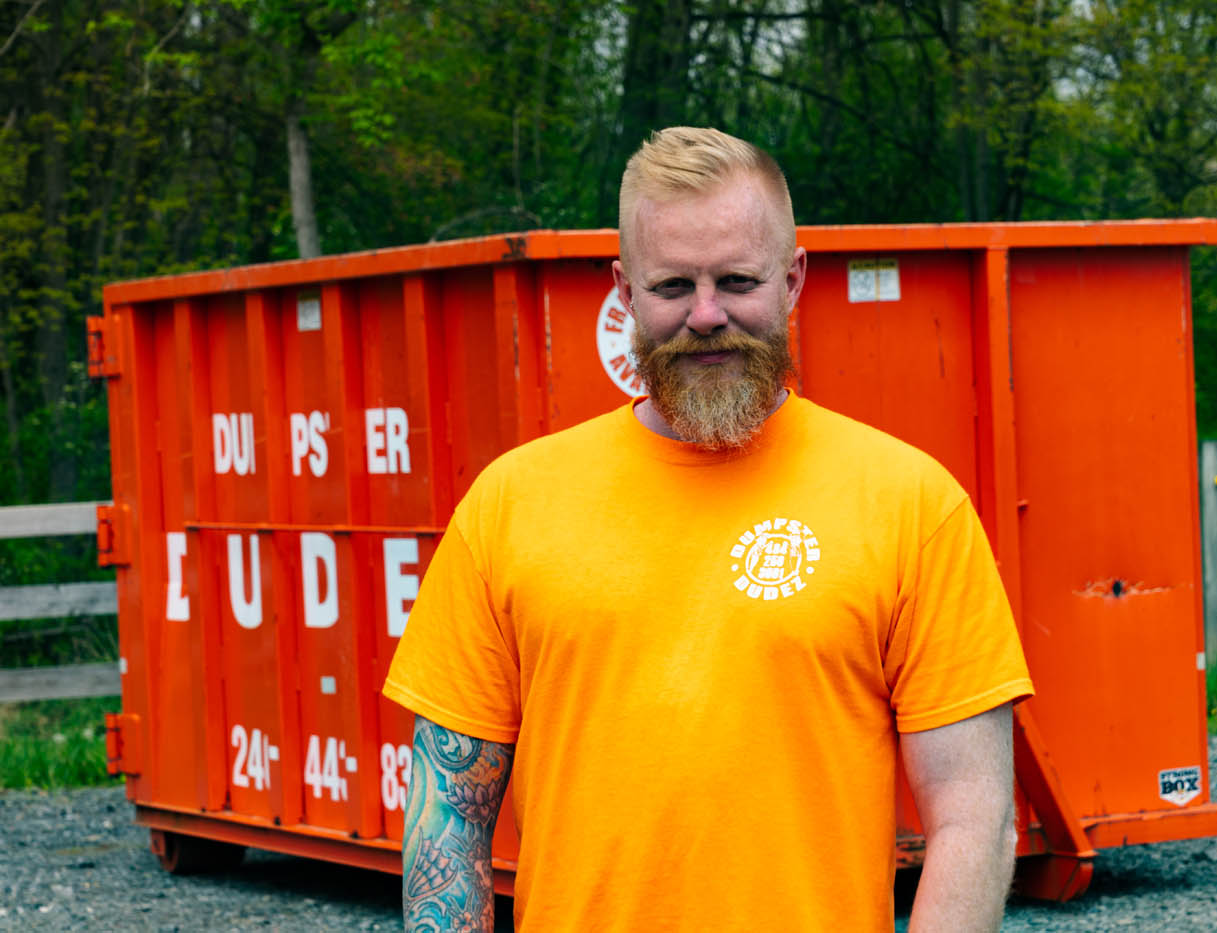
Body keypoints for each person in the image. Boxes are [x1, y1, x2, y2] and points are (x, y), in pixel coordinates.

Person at [383, 127, 1033, 932]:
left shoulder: (911, 505)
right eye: (671, 286)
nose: (706, 314)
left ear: (793, 279)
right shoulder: (510, 505)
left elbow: (974, 819)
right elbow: (448, 819)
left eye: (736, 279)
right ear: (623, 290)